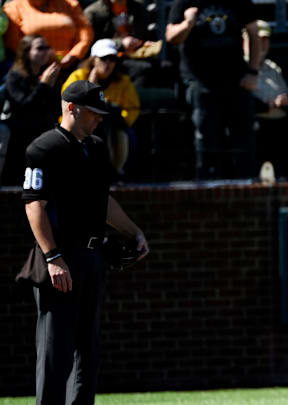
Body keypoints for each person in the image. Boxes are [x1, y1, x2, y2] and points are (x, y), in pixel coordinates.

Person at [22, 79, 149, 405]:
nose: (99, 118)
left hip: (93, 256)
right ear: (71, 108)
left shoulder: (93, 146)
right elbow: (34, 203)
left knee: (87, 348)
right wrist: (53, 257)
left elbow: (102, 201)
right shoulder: (44, 148)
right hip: (62, 257)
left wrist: (133, 230)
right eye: (93, 112)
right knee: (55, 349)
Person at [165, 0, 261, 180]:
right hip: (201, 82)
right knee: (207, 140)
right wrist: (188, 24)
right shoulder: (184, 2)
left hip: (236, 81)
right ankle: (207, 188)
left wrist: (253, 71)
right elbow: (170, 37)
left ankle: (247, 187)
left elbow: (254, 34)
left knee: (243, 141)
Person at [61, 38, 141, 177]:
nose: (108, 63)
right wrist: (90, 85)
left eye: (112, 59)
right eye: (104, 59)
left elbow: (132, 109)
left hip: (112, 126)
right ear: (93, 60)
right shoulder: (78, 76)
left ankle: (119, 174)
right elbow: (69, 105)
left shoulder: (123, 81)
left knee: (127, 134)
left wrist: (120, 118)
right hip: (77, 125)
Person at [0, 34, 61, 186]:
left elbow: (55, 109)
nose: (45, 52)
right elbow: (24, 106)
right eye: (40, 48)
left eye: (47, 48)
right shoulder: (14, 76)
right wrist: (44, 85)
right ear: (26, 52)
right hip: (19, 132)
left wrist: (50, 86)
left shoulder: (46, 74)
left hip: (42, 130)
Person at [242, 20, 288, 176]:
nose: (261, 45)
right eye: (257, 40)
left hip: (278, 128)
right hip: (254, 131)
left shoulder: (272, 67)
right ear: (245, 40)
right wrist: (267, 106)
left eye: (265, 40)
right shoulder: (241, 68)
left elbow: (286, 92)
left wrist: (285, 100)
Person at [84, 0, 165, 87]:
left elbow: (142, 35)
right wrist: (120, 43)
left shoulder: (137, 8)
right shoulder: (94, 13)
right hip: (109, 59)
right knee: (142, 68)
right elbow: (90, 44)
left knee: (165, 67)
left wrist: (144, 44)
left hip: (134, 55)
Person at [3, 0, 94, 75]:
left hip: (71, 65)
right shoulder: (12, 8)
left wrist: (74, 55)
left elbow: (86, 33)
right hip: (32, 70)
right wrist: (41, 60)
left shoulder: (69, 3)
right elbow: (13, 42)